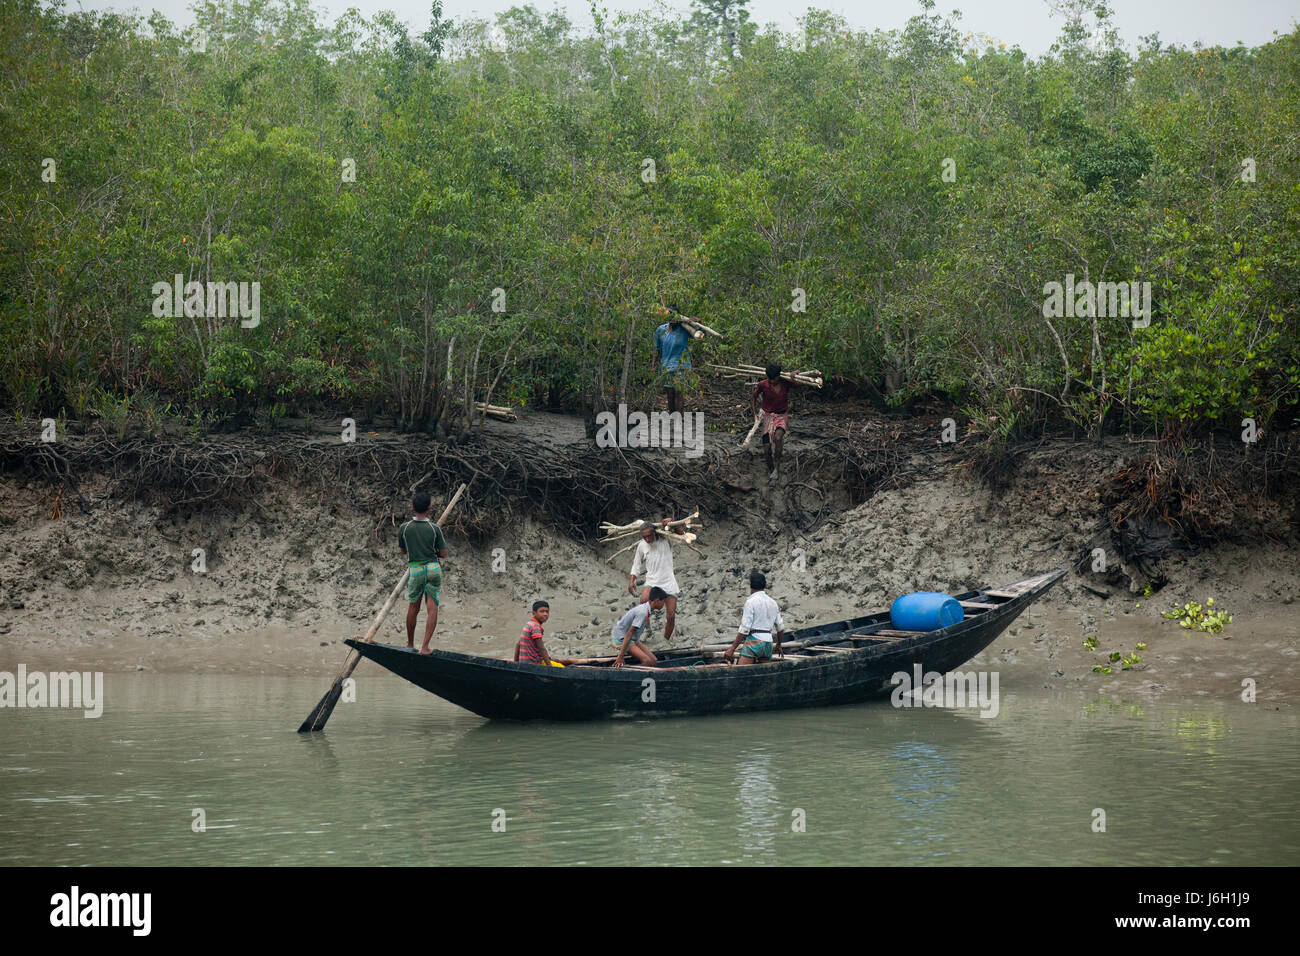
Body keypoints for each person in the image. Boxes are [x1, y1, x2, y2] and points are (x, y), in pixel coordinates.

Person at [398, 491, 448, 655]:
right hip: (433, 568)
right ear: (429, 508)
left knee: (414, 607)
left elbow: (403, 550)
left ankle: (410, 644)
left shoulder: (404, 528)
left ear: (413, 508)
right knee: (432, 608)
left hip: (416, 569)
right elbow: (443, 554)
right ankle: (425, 647)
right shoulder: (435, 529)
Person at [750, 363, 805, 480]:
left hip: (781, 415)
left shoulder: (785, 382)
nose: (771, 381)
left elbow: (799, 385)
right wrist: (754, 413)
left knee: (778, 438)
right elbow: (753, 397)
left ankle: (778, 466)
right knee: (766, 448)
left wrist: (794, 377)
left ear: (778, 376)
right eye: (769, 379)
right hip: (767, 417)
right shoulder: (763, 385)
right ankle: (771, 469)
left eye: (774, 379)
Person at [628, 519, 680, 641]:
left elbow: (682, 537)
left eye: (649, 536)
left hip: (668, 582)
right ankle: (648, 630)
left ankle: (667, 639)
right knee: (643, 604)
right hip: (652, 581)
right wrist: (632, 581)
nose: (647, 539)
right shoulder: (642, 545)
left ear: (654, 533)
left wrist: (673, 523)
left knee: (671, 615)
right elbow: (636, 564)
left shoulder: (666, 539)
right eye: (644, 537)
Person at [725, 571, 784, 665]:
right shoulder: (773, 602)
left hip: (755, 641)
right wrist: (779, 644)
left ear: (751, 586)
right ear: (764, 585)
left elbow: (744, 629)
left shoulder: (751, 602)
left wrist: (732, 649)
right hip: (768, 642)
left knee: (742, 672)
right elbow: (780, 628)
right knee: (766, 673)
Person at [611, 587, 667, 669]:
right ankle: (627, 674)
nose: (664, 604)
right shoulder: (643, 612)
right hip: (621, 639)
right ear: (657, 600)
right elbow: (629, 633)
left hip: (632, 639)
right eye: (663, 602)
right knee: (647, 661)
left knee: (653, 661)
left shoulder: (647, 609)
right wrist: (620, 656)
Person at [652, 306, 693, 415]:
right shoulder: (661, 330)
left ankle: (679, 419)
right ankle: (672, 418)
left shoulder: (685, 329)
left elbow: (700, 334)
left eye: (674, 316)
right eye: (670, 316)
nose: (672, 319)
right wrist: (654, 365)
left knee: (679, 393)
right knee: (670, 394)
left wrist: (695, 321)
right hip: (666, 367)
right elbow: (657, 350)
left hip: (682, 366)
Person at [514, 600, 571, 667]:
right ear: (534, 613)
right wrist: (550, 667)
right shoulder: (535, 627)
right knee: (562, 667)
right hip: (534, 664)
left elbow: (518, 644)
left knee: (553, 661)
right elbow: (541, 648)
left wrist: (516, 663)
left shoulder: (529, 624)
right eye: (542, 611)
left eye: (547, 611)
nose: (545, 614)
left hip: (524, 662)